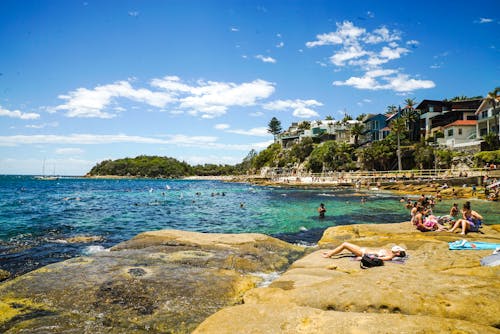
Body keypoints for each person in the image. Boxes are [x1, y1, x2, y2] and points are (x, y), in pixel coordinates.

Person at [322, 242, 406, 261]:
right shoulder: (390, 252)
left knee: (345, 245)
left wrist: (362, 258)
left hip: (361, 252)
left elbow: (377, 258)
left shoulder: (390, 256)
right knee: (345, 245)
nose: (398, 249)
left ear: (398, 253)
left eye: (398, 250)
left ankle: (329, 254)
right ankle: (330, 252)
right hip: (362, 249)